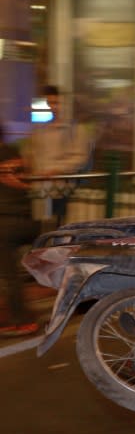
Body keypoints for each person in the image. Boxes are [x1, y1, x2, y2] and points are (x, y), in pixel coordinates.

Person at [21, 85, 93, 227]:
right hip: (39, 189)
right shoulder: (39, 129)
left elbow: (80, 157)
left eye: (56, 103)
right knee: (40, 227)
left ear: (64, 104)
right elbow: (30, 153)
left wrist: (56, 169)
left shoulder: (75, 129)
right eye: (49, 103)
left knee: (59, 227)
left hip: (61, 189)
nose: (53, 107)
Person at [0, 121, 40, 337]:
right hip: (28, 221)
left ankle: (22, 321)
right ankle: (13, 312)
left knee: (10, 275)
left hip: (5, 225)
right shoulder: (15, 152)